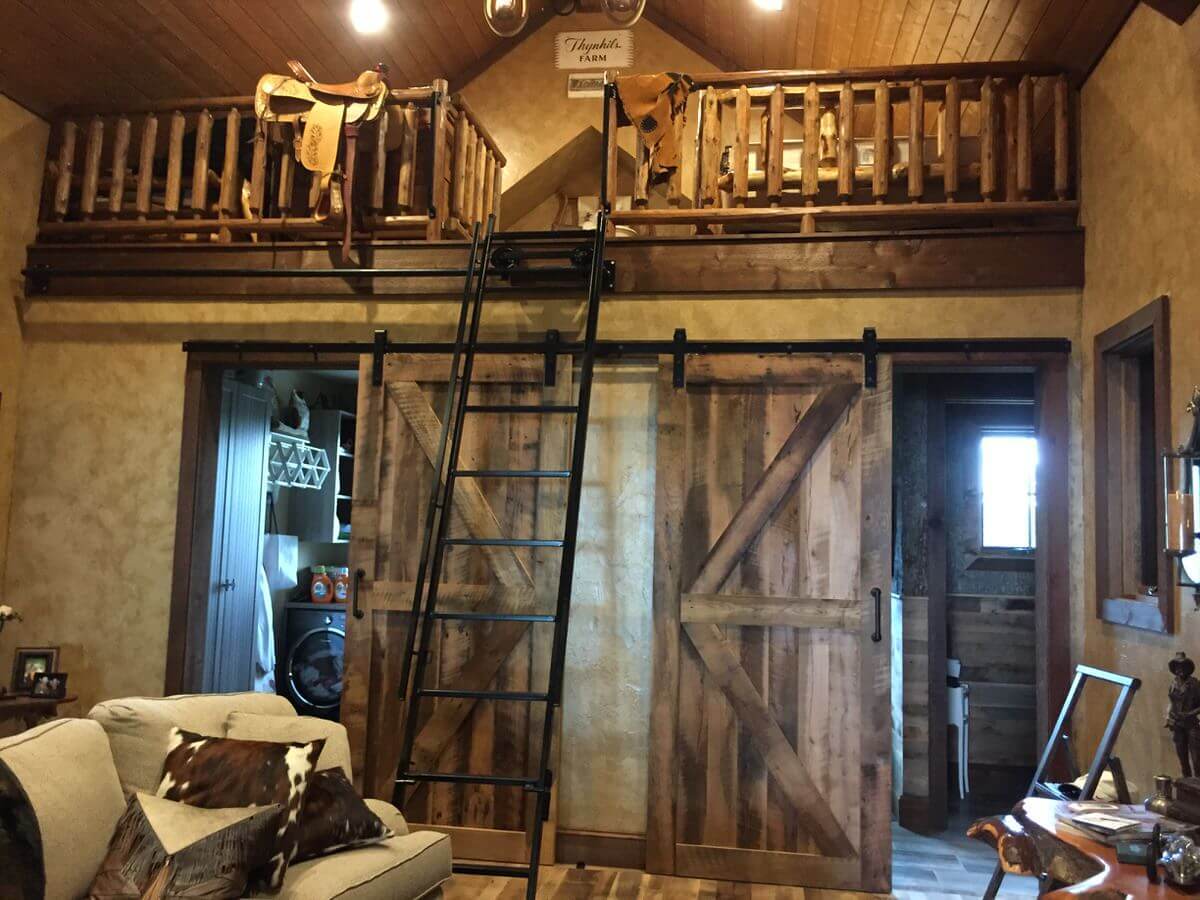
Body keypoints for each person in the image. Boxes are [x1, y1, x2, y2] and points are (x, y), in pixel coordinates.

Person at [1166, 652, 1200, 777]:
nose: (1179, 670)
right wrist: (1169, 717)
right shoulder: (1173, 685)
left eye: (1182, 667)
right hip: (1178, 725)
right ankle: (1185, 787)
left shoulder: (1195, 684)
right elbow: (1172, 702)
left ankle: (1197, 786)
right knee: (1182, 758)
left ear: (1188, 668)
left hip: (1191, 725)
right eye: (1177, 667)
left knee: (1196, 759)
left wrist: (1190, 714)